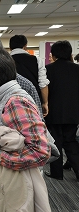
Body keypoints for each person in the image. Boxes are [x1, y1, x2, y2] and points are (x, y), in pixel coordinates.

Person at [0, 49, 51, 211]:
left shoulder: (15, 102)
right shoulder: (3, 99)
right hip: (9, 184)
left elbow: (40, 152)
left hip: (18, 187)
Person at [44, 40, 79, 181]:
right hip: (73, 112)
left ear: (53, 54)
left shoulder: (48, 69)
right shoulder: (77, 69)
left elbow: (45, 91)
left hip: (54, 112)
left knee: (56, 142)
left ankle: (57, 173)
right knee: (71, 141)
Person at [9, 35, 49, 117]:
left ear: (10, 47)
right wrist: (45, 103)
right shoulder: (37, 60)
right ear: (25, 46)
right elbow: (43, 84)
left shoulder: (5, 61)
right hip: (33, 100)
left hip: (10, 101)